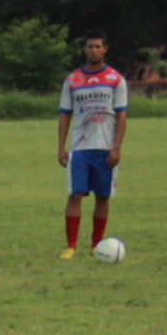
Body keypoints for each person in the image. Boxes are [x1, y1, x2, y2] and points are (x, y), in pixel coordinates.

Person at [57, 30, 128, 259]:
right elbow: (65, 115)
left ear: (105, 49)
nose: (94, 50)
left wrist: (117, 146)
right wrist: (61, 147)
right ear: (85, 49)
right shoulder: (72, 80)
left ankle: (97, 244)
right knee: (74, 195)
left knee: (102, 197)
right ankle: (71, 246)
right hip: (80, 149)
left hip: (105, 149)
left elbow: (122, 116)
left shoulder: (115, 79)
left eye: (98, 46)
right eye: (90, 46)